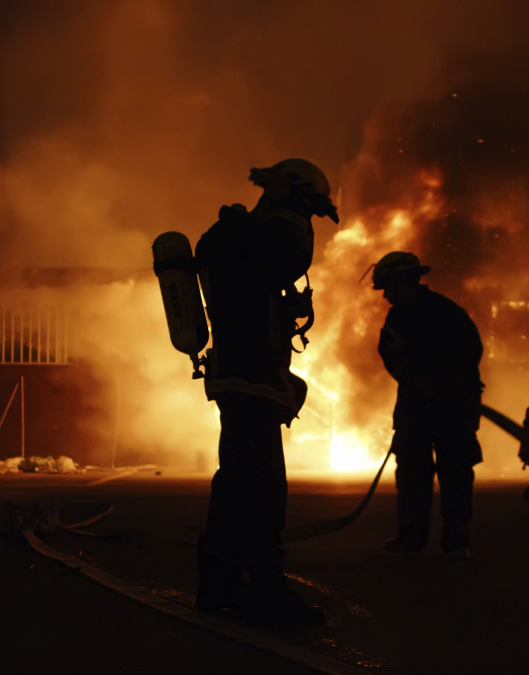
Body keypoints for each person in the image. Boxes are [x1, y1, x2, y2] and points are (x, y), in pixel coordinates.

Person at [193, 158, 338, 628]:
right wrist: (282, 209)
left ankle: (221, 588)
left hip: (246, 377)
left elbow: (262, 279)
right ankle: (265, 593)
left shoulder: (239, 238)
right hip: (249, 377)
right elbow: (287, 255)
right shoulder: (256, 236)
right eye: (307, 207)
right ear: (288, 193)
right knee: (260, 490)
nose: (309, 219)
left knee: (237, 485)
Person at [373, 251, 484, 560]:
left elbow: (470, 352)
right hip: (416, 408)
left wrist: (447, 383)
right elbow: (391, 354)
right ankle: (411, 538)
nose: (385, 296)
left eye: (387, 288)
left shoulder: (447, 313)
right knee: (411, 475)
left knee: (456, 474)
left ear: (401, 283)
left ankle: (457, 542)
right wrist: (415, 378)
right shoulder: (398, 318)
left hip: (453, 408)